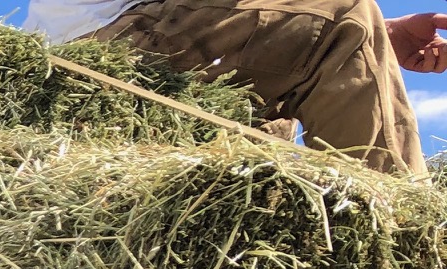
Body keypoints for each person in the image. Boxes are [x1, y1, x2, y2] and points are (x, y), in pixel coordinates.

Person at [25, 0, 447, 174]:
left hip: (105, 47)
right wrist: (355, 30)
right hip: (100, 47)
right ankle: (404, 245)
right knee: (346, 14)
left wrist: (377, 36)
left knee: (277, 112)